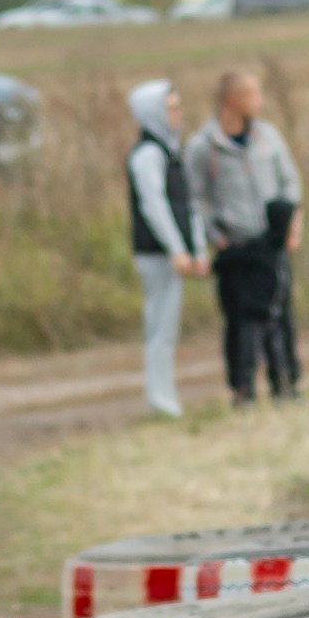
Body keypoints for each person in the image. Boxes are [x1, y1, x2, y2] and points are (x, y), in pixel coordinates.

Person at [185, 71, 305, 405]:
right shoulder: (203, 146)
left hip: (271, 242)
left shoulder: (268, 137)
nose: (259, 101)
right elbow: (194, 199)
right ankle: (243, 390)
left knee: (280, 315)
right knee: (241, 320)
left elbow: (289, 182)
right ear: (232, 100)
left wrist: (293, 226)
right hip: (236, 247)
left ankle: (286, 384)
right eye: (252, 94)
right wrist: (212, 236)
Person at [125, 80, 208, 419]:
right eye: (171, 108)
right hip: (155, 254)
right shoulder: (147, 155)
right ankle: (160, 398)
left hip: (177, 251)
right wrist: (176, 248)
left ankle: (166, 396)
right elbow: (154, 207)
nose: (178, 114)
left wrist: (198, 247)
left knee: (168, 325)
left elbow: (188, 204)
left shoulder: (172, 151)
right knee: (159, 325)